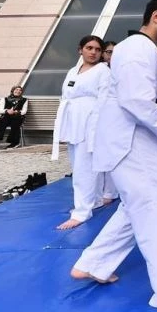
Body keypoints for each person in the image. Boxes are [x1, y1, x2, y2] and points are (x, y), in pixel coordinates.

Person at [71, 0, 157, 311]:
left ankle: (94, 263)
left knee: (135, 207)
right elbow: (136, 101)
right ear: (156, 16)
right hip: (132, 142)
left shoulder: (141, 51)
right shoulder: (135, 49)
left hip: (136, 140)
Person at [52, 35, 116, 230]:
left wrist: (96, 128)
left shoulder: (103, 71)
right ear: (81, 50)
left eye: (98, 49)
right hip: (73, 120)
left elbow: (104, 100)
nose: (93, 52)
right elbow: (66, 95)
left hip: (90, 121)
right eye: (89, 48)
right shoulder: (73, 70)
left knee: (84, 168)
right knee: (80, 163)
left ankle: (81, 212)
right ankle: (94, 200)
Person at [0, 85, 28, 149]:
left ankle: (14, 142)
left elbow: (24, 111)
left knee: (16, 122)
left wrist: (16, 112)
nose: (18, 91)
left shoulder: (24, 100)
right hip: (7, 116)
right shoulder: (4, 99)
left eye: (20, 90)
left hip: (17, 117)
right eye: (16, 89)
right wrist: (7, 111)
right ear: (12, 91)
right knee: (3, 122)